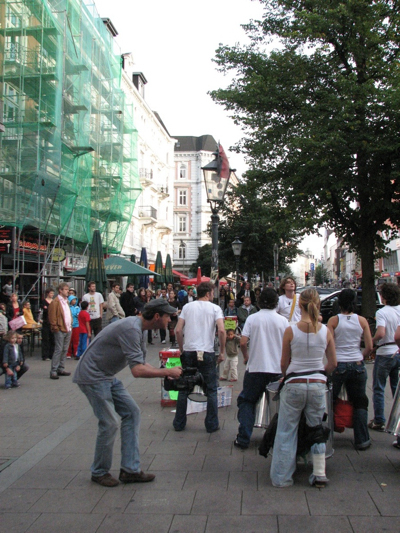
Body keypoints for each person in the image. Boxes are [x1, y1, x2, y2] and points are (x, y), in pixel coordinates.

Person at [73, 299, 182, 487]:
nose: (169, 320)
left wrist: (165, 371)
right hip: (92, 376)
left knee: (132, 413)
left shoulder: (139, 329)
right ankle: (99, 472)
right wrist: (166, 372)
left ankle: (130, 470)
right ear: (157, 316)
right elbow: (137, 371)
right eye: (167, 316)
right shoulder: (131, 329)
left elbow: (141, 363)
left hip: (105, 375)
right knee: (109, 422)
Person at [270, 289, 337, 488]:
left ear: (299, 305)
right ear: (317, 304)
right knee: (316, 429)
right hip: (317, 384)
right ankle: (319, 474)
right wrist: (320, 373)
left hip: (294, 384)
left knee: (286, 430)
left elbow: (284, 362)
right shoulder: (325, 330)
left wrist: (287, 374)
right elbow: (333, 363)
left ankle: (282, 477)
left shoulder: (290, 330)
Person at [234, 289, 288, 449]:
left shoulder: (252, 319)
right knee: (279, 405)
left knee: (247, 401)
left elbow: (243, 342)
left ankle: (243, 438)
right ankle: (277, 438)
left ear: (259, 301)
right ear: (276, 302)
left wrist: (246, 356)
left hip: (256, 368)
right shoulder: (283, 321)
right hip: (277, 369)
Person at [173, 281, 226, 433]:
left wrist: (183, 349)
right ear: (208, 293)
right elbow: (222, 331)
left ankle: (179, 423)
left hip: (189, 350)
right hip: (207, 351)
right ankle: (211, 424)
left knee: (184, 388)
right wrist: (222, 352)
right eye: (213, 292)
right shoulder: (215, 308)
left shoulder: (187, 307)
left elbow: (178, 330)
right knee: (211, 389)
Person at [327, 289, 373, 450]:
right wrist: (360, 356)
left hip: (339, 364)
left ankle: (327, 437)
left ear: (339, 302)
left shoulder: (333, 321)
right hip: (357, 364)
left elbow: (329, 345)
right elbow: (369, 346)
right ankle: (362, 440)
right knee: (360, 400)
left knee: (329, 400)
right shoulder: (362, 321)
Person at [369, 283, 400, 431]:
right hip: (398, 351)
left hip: (385, 352)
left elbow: (381, 333)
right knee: (396, 387)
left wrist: (371, 341)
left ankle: (379, 420)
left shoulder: (382, 312)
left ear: (384, 296)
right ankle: (397, 420)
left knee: (379, 387)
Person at [48, 282, 73, 380]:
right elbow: (52, 316)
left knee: (65, 349)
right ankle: (54, 370)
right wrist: (55, 327)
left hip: (68, 327)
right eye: (66, 290)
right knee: (58, 349)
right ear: (60, 290)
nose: (68, 291)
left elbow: (67, 313)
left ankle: (61, 368)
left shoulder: (66, 301)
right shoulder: (55, 302)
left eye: (68, 289)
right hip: (60, 328)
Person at [40, 288, 55, 361]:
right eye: (51, 293)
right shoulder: (43, 302)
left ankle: (51, 354)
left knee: (52, 338)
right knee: (45, 338)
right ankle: (45, 355)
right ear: (47, 293)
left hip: (52, 322)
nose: (52, 295)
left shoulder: (54, 301)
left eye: (53, 293)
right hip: (45, 321)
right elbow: (41, 311)